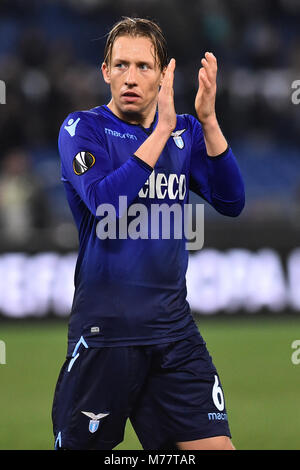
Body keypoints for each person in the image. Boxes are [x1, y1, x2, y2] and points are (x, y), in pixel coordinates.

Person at [52, 16, 245, 451]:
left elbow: (232, 202)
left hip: (174, 336)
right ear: (105, 72)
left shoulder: (186, 132)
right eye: (120, 65)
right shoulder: (83, 129)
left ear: (163, 75)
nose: (131, 77)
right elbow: (105, 202)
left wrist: (208, 121)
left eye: (143, 66)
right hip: (106, 335)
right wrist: (160, 130)